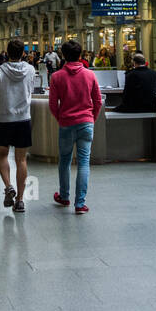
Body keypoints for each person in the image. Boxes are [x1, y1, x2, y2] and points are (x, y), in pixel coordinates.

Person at [47, 39, 102, 213]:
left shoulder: (56, 77)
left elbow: (53, 104)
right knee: (84, 162)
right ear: (80, 55)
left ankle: (64, 197)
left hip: (66, 124)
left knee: (64, 161)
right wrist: (91, 118)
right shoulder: (90, 75)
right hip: (86, 122)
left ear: (63, 55)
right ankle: (80, 204)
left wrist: (61, 118)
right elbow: (98, 101)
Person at [0, 38, 37, 212]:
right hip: (23, 119)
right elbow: (30, 90)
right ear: (23, 53)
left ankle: (8, 186)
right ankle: (21, 200)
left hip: (5, 119)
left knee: (2, 155)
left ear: (7, 53)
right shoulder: (31, 70)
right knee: (21, 159)